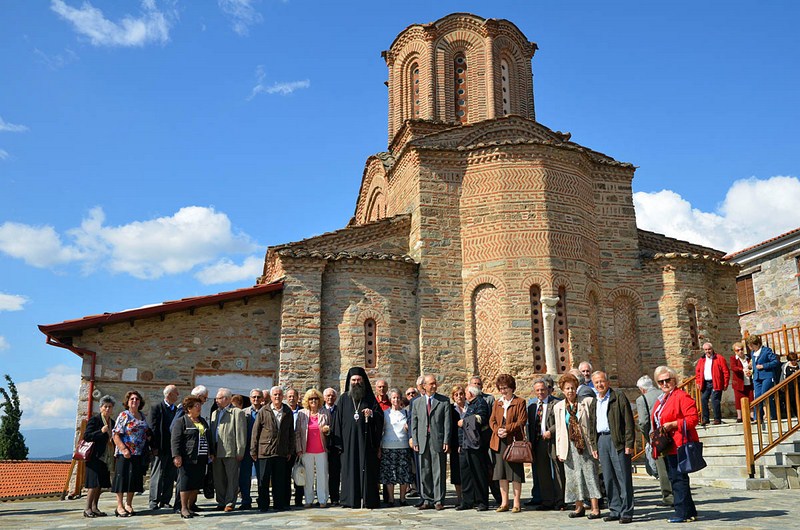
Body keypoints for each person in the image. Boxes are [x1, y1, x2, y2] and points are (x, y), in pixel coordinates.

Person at [652, 365, 700, 523]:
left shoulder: (681, 396)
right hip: (668, 446)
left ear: (674, 380)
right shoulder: (663, 399)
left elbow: (693, 419)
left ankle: (682, 513)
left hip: (679, 444)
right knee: (676, 478)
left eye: (668, 380)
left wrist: (674, 424)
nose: (665, 384)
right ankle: (690, 511)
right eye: (661, 382)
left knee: (678, 480)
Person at [332, 367, 384, 509]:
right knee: (349, 470)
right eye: (353, 380)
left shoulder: (369, 398)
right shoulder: (343, 399)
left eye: (359, 380)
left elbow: (380, 417)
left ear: (363, 381)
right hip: (348, 445)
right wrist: (338, 445)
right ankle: (349, 500)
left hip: (365, 443)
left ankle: (368, 499)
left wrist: (371, 414)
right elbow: (337, 422)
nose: (356, 383)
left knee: (367, 470)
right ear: (350, 381)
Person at [554, 373, 602, 519]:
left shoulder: (586, 402)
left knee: (590, 475)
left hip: (585, 445)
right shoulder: (559, 407)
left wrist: (594, 447)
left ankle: (595, 508)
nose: (570, 391)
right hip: (568, 446)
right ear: (562, 390)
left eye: (573, 388)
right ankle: (578, 507)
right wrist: (559, 450)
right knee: (573, 477)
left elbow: (593, 424)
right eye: (567, 388)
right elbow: (559, 430)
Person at [591, 371, 635, 524]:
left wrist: (629, 443)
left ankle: (627, 511)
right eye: (596, 383)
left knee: (623, 477)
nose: (599, 385)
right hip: (602, 440)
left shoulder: (618, 397)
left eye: (602, 381)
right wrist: (594, 445)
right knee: (609, 477)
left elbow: (628, 421)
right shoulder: (594, 401)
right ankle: (615, 509)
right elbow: (592, 425)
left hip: (618, 440)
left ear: (607, 382)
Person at [251, 386, 295, 512]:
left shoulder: (287, 412)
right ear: (271, 397)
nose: (277, 397)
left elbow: (291, 432)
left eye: (280, 394)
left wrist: (290, 450)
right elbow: (256, 432)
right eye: (275, 394)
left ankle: (278, 504)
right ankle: (264, 505)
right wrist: (253, 450)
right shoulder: (264, 411)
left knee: (279, 480)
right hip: (265, 451)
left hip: (281, 451)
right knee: (263, 480)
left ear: (283, 397)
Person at [411, 374, 451, 511]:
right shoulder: (417, 403)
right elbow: (414, 423)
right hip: (422, 440)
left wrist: (446, 440)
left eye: (435, 383)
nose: (434, 386)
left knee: (438, 470)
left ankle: (439, 500)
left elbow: (447, 423)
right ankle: (427, 499)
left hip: (437, 440)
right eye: (431, 384)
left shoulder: (444, 401)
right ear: (424, 386)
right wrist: (415, 440)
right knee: (424, 470)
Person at [489, 373, 527, 513]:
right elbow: (491, 420)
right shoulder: (497, 403)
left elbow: (522, 421)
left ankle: (516, 503)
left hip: (514, 440)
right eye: (501, 388)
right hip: (499, 441)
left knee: (515, 472)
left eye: (505, 388)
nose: (503, 391)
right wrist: (497, 430)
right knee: (501, 473)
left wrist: (507, 429)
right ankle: (504, 502)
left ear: (512, 388)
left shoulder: (520, 402)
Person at [111, 390, 151, 517]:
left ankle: (128, 504)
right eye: (132, 399)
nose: (134, 401)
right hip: (125, 453)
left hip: (138, 453)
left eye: (137, 399)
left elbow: (145, 431)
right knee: (122, 479)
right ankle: (119, 506)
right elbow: (115, 434)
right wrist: (123, 449)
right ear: (127, 402)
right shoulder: (124, 415)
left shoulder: (142, 416)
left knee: (133, 479)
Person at [526, 378, 564, 511]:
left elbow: (561, 422)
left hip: (553, 441)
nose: (540, 392)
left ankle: (560, 501)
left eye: (542, 389)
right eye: (537, 390)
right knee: (543, 473)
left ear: (548, 389)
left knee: (558, 472)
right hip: (538, 442)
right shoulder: (532, 406)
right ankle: (547, 501)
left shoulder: (557, 403)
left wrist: (550, 431)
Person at [171, 395, 211, 519]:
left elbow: (208, 437)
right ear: (189, 409)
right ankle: (183, 508)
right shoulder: (181, 422)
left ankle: (191, 506)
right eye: (196, 406)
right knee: (185, 483)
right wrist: (177, 455)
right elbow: (175, 440)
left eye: (199, 405)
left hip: (201, 457)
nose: (199, 408)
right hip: (187, 457)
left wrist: (211, 452)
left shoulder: (202, 421)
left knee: (196, 483)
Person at [635, 375, 673, 506]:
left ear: (642, 389)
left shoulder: (642, 399)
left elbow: (643, 421)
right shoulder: (663, 393)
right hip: (670, 434)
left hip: (657, 437)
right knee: (673, 465)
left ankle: (668, 497)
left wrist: (647, 437)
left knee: (662, 468)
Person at [210, 387, 247, 511]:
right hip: (216, 451)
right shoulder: (215, 413)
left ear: (226, 399)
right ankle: (221, 502)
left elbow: (241, 433)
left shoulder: (237, 412)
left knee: (231, 478)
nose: (216, 400)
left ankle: (230, 503)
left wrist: (240, 451)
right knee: (219, 478)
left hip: (230, 451)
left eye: (219, 398)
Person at [456, 384, 491, 511]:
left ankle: (482, 501)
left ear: (471, 394)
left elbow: (481, 418)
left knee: (479, 473)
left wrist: (464, 422)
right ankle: (467, 501)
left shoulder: (480, 403)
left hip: (476, 445)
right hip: (466, 444)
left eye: (465, 392)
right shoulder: (470, 405)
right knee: (466, 474)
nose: (464, 395)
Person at [296, 388, 331, 507]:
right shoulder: (302, 413)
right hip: (307, 450)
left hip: (321, 449)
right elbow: (298, 434)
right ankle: (309, 500)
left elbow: (331, 428)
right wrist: (299, 448)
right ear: (307, 400)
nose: (313, 401)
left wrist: (327, 430)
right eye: (311, 398)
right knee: (308, 476)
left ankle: (322, 500)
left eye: (316, 398)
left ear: (319, 400)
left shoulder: (325, 412)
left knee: (322, 475)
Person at [470, 374, 501, 505]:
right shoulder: (468, 400)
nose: (477, 386)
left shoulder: (488, 399)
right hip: (474, 440)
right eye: (474, 384)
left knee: (490, 469)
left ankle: (498, 497)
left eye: (478, 384)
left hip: (486, 437)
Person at [82, 395, 116, 518]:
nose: (107, 409)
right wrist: (100, 432)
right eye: (105, 406)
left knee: (100, 483)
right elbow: (87, 436)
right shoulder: (95, 420)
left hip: (106, 457)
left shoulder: (112, 422)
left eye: (110, 407)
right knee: (93, 483)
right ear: (101, 408)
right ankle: (87, 509)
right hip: (94, 456)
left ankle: (95, 507)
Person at [379, 388, 413, 506]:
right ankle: (391, 499)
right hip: (388, 446)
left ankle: (403, 498)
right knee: (389, 474)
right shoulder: (385, 413)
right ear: (390, 399)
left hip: (403, 446)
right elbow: (381, 430)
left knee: (403, 473)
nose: (396, 400)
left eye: (398, 397)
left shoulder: (406, 413)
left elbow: (410, 428)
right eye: (393, 397)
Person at [148, 384, 180, 511]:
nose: (178, 395)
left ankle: (165, 500)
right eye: (176, 393)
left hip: (172, 448)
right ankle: (154, 501)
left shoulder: (176, 410)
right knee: (157, 475)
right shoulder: (156, 408)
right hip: (160, 448)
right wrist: (154, 446)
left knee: (170, 475)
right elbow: (152, 428)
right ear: (169, 394)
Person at [238, 388, 264, 510]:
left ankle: (262, 499)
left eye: (258, 397)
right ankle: (246, 500)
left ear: (262, 399)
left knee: (261, 476)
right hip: (246, 448)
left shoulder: (266, 412)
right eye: (254, 397)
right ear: (250, 398)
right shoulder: (243, 413)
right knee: (244, 476)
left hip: (262, 449)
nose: (256, 399)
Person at [694, 342, 730, 425]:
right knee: (703, 399)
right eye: (706, 349)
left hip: (716, 382)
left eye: (709, 349)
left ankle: (717, 419)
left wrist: (725, 383)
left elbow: (726, 372)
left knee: (715, 400)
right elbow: (698, 372)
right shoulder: (702, 360)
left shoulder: (719, 358)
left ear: (712, 349)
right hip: (706, 383)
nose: (707, 351)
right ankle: (705, 419)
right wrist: (698, 382)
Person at [748, 334, 780, 420]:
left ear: (757, 344)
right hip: (757, 378)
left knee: (765, 394)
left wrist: (764, 366)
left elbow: (775, 362)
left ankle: (772, 415)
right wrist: (751, 370)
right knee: (757, 397)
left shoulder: (766, 351)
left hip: (767, 376)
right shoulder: (752, 353)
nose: (751, 348)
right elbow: (754, 365)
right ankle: (757, 417)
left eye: (752, 346)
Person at [285, 388, 305, 507]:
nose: (292, 398)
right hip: (287, 448)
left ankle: (298, 499)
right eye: (290, 396)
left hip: (299, 447)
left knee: (300, 473)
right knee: (286, 475)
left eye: (294, 396)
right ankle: (286, 499)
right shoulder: (284, 411)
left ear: (298, 398)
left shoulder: (303, 412)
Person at [323, 387, 341, 505]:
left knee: (335, 473)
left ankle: (334, 497)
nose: (330, 398)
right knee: (322, 473)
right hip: (321, 446)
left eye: (332, 396)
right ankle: (322, 496)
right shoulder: (320, 410)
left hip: (335, 446)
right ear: (324, 397)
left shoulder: (339, 410)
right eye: (328, 395)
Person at [449, 385, 466, 506]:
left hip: (469, 442)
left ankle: (468, 496)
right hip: (455, 444)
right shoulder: (450, 409)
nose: (459, 397)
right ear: (453, 397)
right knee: (456, 471)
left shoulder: (469, 408)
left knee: (468, 471)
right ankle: (459, 497)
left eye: (461, 394)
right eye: (456, 395)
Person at [729, 342, 754, 423]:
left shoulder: (748, 357)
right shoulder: (733, 358)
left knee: (751, 398)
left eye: (741, 349)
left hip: (749, 381)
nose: (740, 351)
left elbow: (752, 366)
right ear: (735, 351)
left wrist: (750, 371)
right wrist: (742, 370)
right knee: (738, 399)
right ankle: (739, 416)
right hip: (739, 382)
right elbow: (733, 367)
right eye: (738, 350)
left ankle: (751, 415)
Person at [781, 352, 799, 418]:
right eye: (791, 360)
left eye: (795, 360)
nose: (793, 362)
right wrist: (782, 386)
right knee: (792, 401)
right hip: (790, 387)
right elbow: (783, 376)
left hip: (798, 386)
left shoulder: (799, 365)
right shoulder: (785, 367)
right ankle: (795, 414)